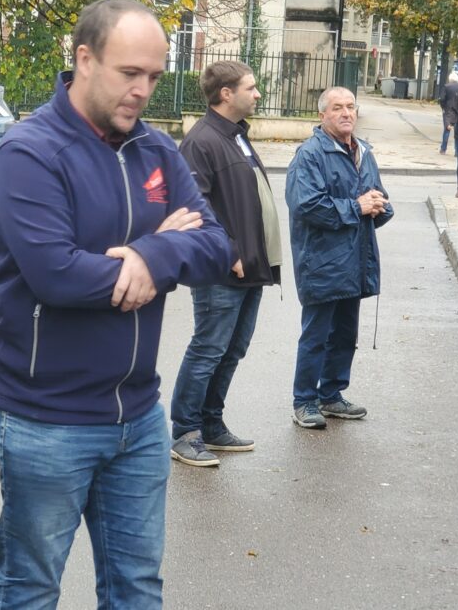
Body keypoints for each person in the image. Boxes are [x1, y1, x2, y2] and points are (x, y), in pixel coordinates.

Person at [0, 0, 232, 607]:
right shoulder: (30, 151)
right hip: (44, 416)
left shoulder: (157, 150)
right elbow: (57, 275)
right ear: (84, 59)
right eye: (129, 73)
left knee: (137, 589)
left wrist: (151, 258)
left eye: (153, 76)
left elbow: (218, 246)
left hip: (138, 417)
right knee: (31, 588)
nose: (142, 90)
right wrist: (161, 243)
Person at [168, 60, 282, 467]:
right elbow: (193, 205)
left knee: (233, 349)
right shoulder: (201, 141)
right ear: (226, 94)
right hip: (223, 267)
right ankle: (185, 432)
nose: (258, 94)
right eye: (251, 88)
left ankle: (211, 425)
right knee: (208, 348)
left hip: (252, 265)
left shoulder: (235, 137)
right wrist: (228, 251)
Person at [285, 86, 394, 429]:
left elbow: (376, 197)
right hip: (322, 260)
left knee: (346, 334)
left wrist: (379, 206)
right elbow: (306, 205)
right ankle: (305, 400)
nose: (346, 113)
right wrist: (358, 207)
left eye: (350, 107)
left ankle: (331, 394)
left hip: (355, 260)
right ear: (323, 115)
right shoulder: (311, 155)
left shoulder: (363, 151)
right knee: (317, 335)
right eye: (337, 108)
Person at [438, 72, 458, 155]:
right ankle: (457, 151)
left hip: (448, 110)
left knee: (447, 130)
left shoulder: (446, 86)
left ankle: (443, 149)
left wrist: (443, 107)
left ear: (450, 79)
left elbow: (442, 99)